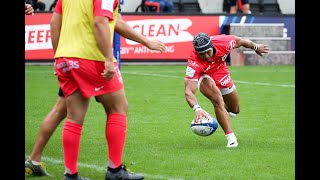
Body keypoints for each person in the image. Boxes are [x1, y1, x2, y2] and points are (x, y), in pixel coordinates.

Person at [25, 0, 166, 179]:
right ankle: (115, 171)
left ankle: (70, 175)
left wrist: (59, 56)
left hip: (65, 57)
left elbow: (54, 23)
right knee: (118, 107)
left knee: (73, 116)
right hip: (91, 57)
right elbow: (100, 22)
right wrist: (108, 58)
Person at [184, 32, 269, 147]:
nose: (206, 56)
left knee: (234, 110)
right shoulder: (194, 62)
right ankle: (231, 138)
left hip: (220, 71)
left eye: (208, 52)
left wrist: (255, 47)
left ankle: (222, 111)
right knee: (217, 99)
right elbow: (189, 91)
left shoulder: (224, 42)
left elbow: (242, 41)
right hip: (203, 75)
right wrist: (197, 109)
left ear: (212, 46)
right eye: (202, 54)